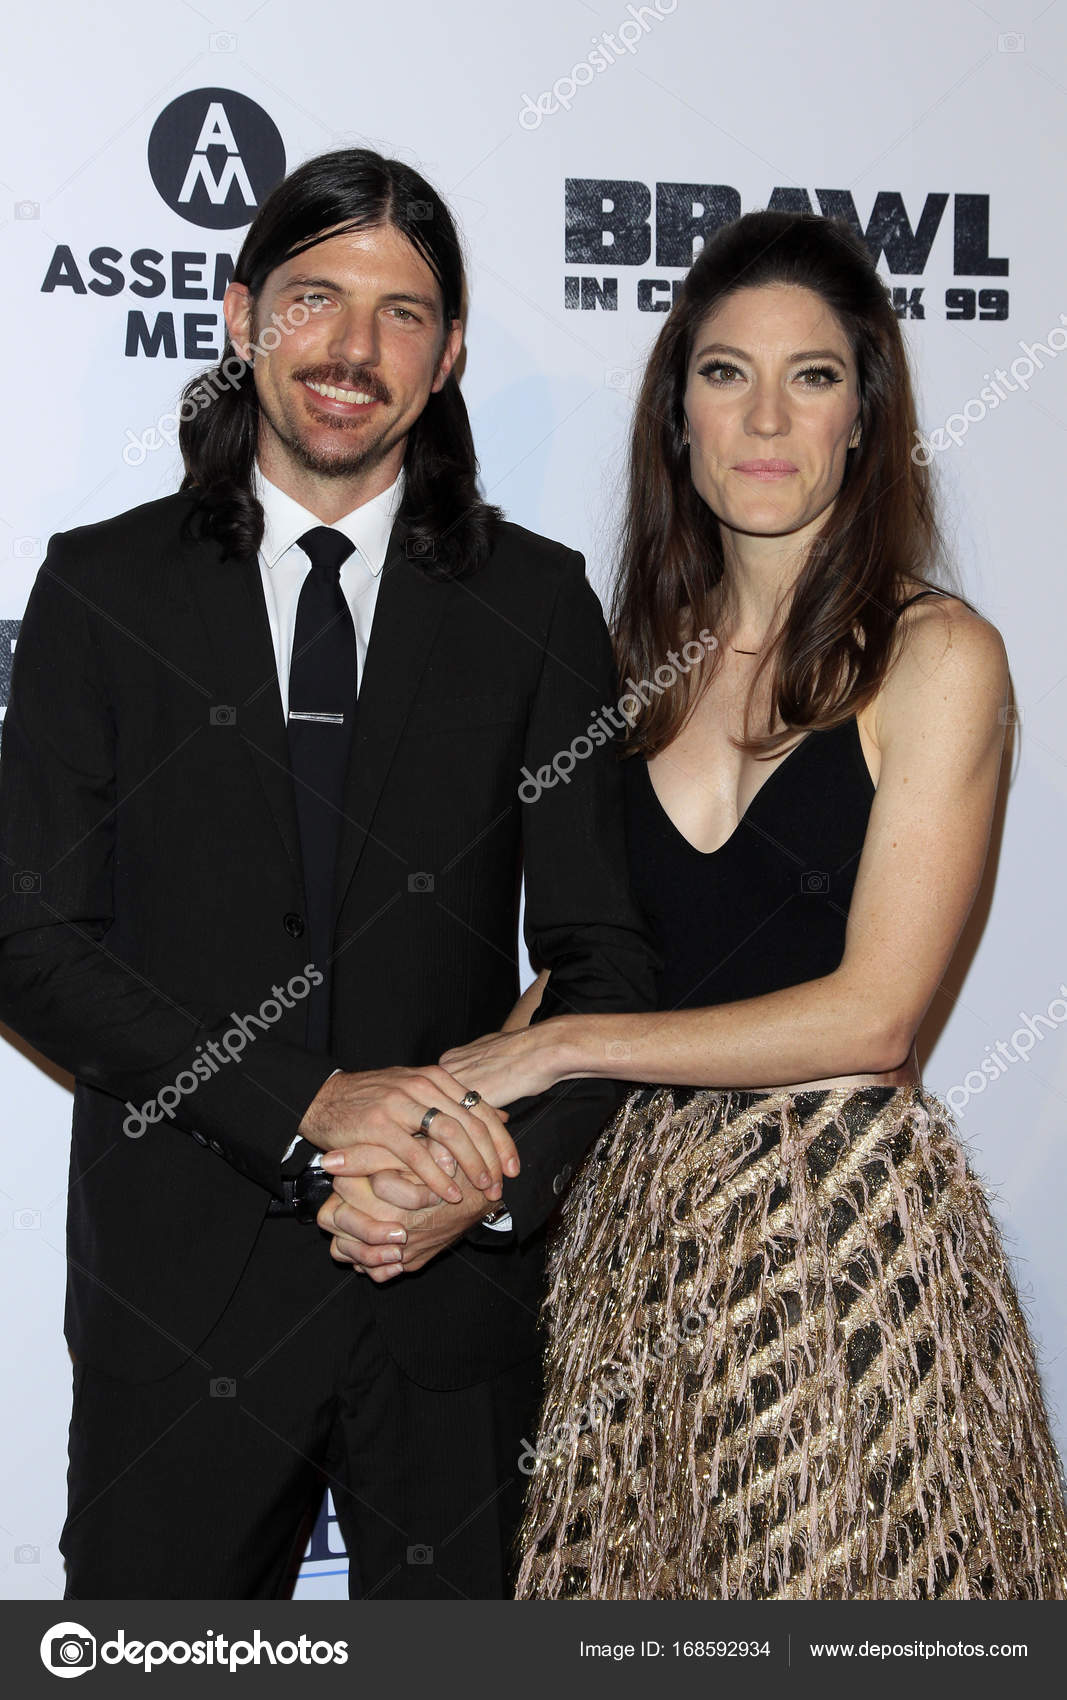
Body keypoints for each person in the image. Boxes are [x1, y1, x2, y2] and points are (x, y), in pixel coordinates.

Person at [0, 148, 659, 1600]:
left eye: (403, 313)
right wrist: (301, 1106)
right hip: (180, 1300)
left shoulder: (536, 604)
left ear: (449, 356)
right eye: (315, 299)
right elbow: (31, 940)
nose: (354, 351)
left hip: (446, 1292)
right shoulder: (102, 592)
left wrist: (485, 1187)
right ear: (241, 317)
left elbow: (608, 957)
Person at [436, 211, 1067, 1599]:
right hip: (636, 1265)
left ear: (867, 418)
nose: (768, 417)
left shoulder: (937, 654)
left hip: (839, 1248)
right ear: (679, 421)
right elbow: (608, 963)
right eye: (726, 375)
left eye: (815, 377)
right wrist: (439, 1111)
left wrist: (561, 1046)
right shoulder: (626, 669)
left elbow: (878, 1018)